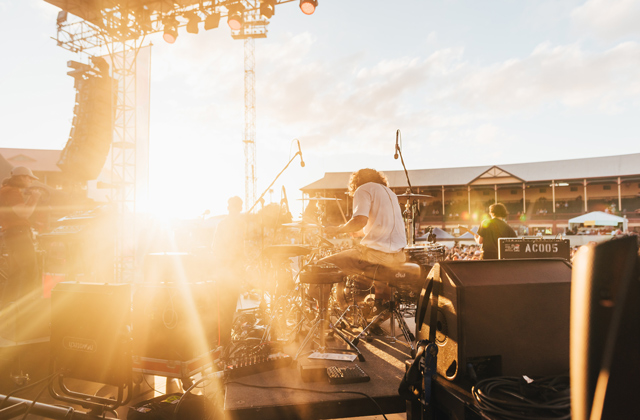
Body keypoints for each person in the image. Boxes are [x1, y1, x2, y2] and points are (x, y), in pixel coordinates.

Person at [321, 168, 407, 325]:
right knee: (374, 271)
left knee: (324, 266)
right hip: (398, 255)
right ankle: (377, 311)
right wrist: (360, 233)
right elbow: (380, 227)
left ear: (356, 182)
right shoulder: (390, 193)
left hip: (378, 254)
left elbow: (359, 220)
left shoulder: (363, 189)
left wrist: (337, 229)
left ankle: (323, 320)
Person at [0, 166, 42, 304]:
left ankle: (6, 309)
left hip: (11, 235)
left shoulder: (5, 191)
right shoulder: (12, 192)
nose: (30, 181)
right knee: (31, 271)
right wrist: (34, 198)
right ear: (22, 177)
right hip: (19, 235)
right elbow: (23, 213)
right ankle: (28, 308)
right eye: (29, 178)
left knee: (15, 275)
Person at [211, 196, 246, 356]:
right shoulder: (223, 225)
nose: (236, 211)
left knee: (230, 309)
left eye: (238, 208)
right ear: (229, 208)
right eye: (235, 208)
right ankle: (222, 343)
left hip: (234, 273)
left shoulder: (240, 226)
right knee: (223, 310)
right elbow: (217, 249)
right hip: (225, 273)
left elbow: (241, 250)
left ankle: (226, 341)